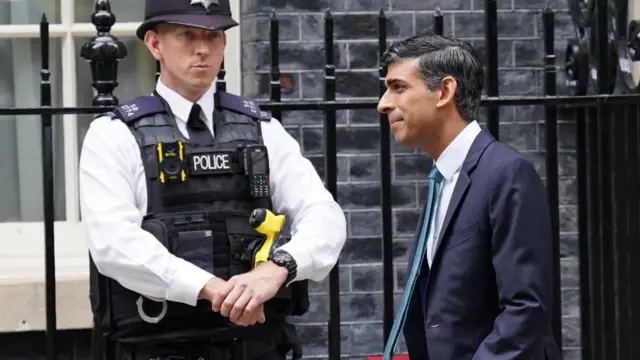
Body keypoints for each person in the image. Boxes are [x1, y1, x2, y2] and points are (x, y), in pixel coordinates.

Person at [78, 0, 346, 359]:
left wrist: (278, 268)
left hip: (256, 347)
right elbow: (113, 243)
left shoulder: (262, 130)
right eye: (186, 35)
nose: (202, 48)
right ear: (155, 44)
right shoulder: (113, 135)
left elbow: (324, 215)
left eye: (214, 35)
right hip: (158, 347)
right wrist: (212, 289)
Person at [377, 34, 562, 360]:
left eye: (399, 87)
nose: (384, 103)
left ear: (444, 92)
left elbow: (526, 309)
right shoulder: (442, 179)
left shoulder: (506, 173)